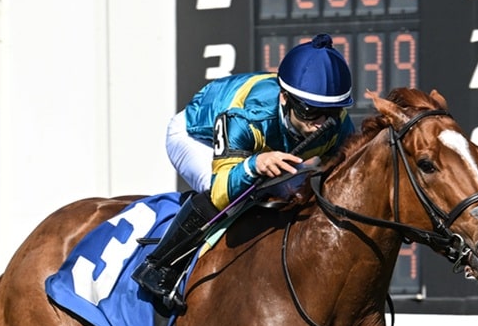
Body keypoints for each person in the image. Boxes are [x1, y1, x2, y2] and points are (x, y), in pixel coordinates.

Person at [133, 33, 356, 309]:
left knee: (298, 195)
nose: (320, 124)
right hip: (195, 136)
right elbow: (222, 190)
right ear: (285, 98)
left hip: (268, 146)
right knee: (234, 200)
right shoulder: (249, 117)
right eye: (311, 111)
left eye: (331, 112)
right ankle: (158, 267)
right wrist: (254, 164)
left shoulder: (337, 124)